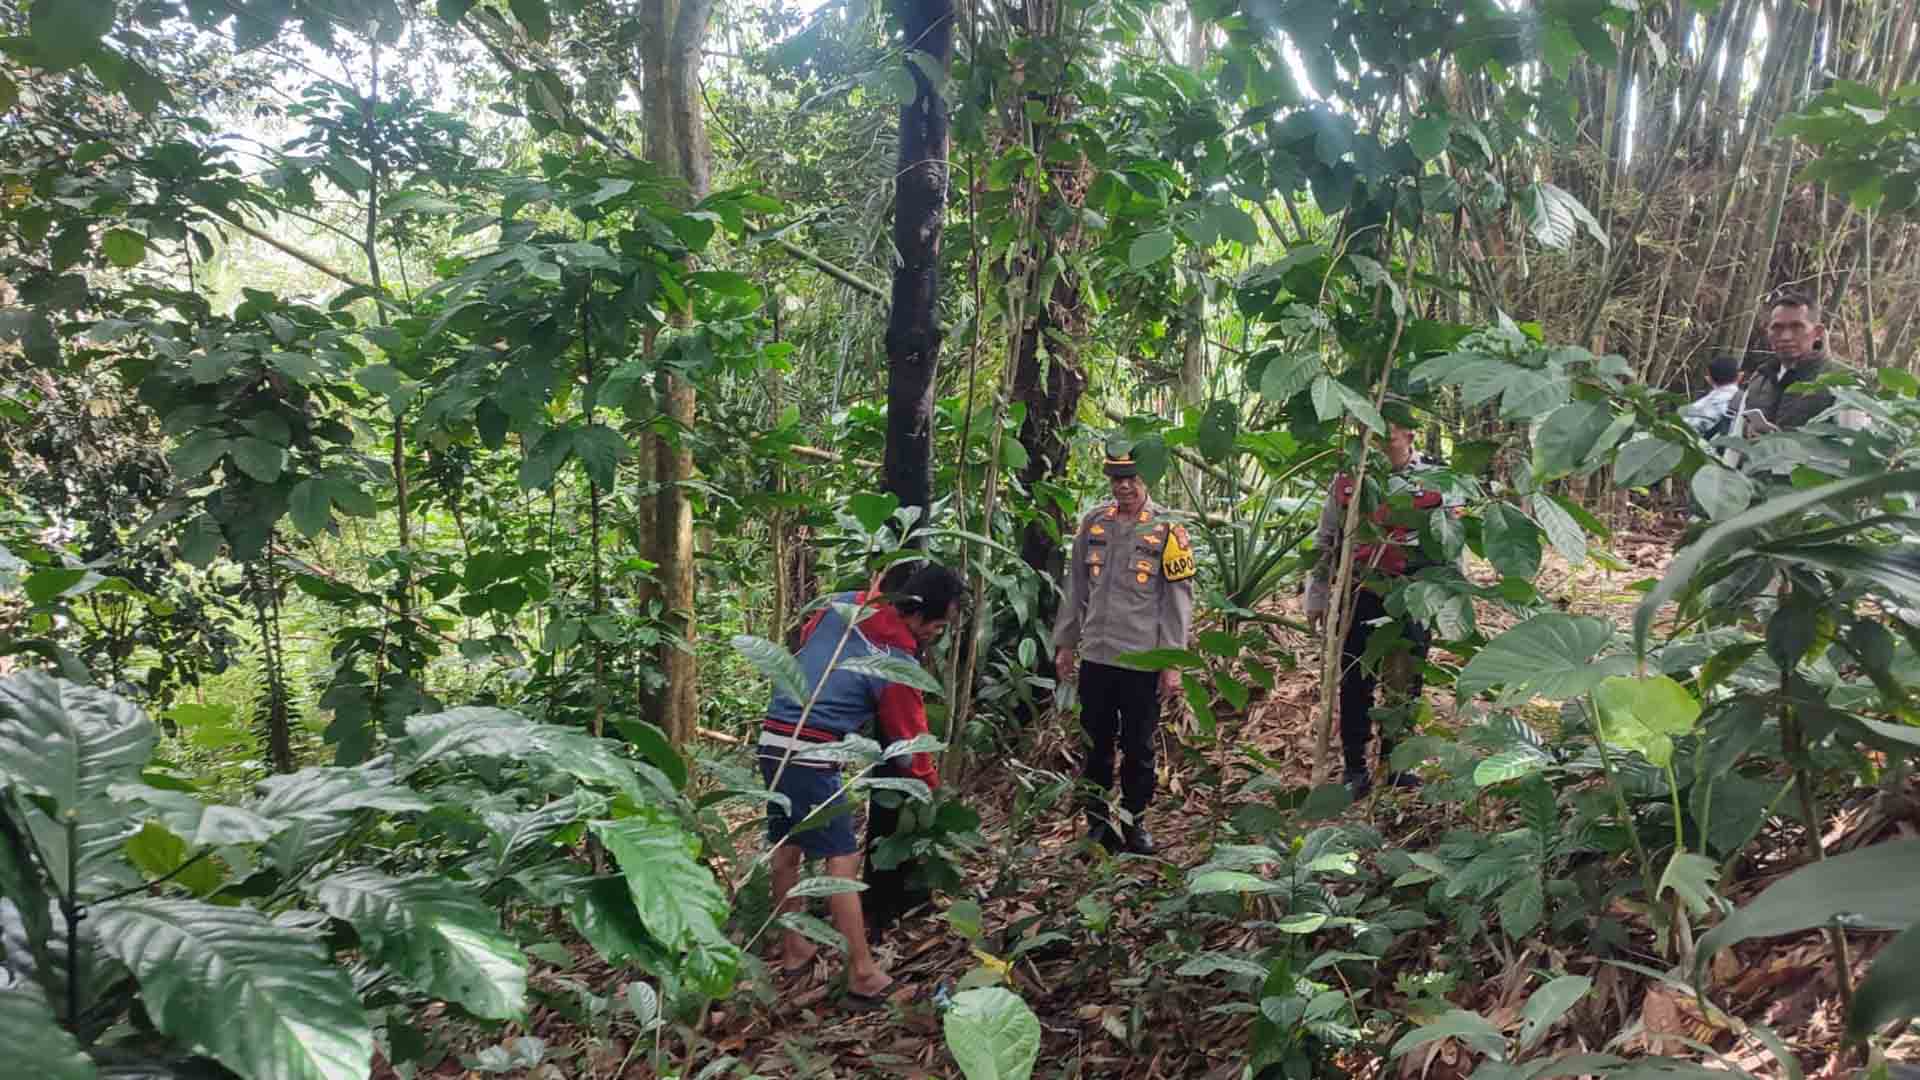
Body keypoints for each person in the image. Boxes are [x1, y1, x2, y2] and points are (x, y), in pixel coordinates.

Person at [759, 562, 964, 1004]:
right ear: (915, 613)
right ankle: (862, 974)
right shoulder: (894, 665)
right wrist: (930, 789)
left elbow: (808, 641)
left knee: (787, 846)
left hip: (773, 738)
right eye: (938, 624)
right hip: (812, 751)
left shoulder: (840, 607)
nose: (938, 633)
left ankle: (794, 949)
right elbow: (910, 746)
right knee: (843, 858)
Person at [1051, 449, 1197, 855]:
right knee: (1095, 745)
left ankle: (1135, 823)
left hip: (1141, 660)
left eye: (1132, 477)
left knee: (1139, 747)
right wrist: (1066, 643)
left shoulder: (1169, 529)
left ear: (1146, 478)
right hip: (1097, 656)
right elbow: (1076, 587)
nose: (1125, 486)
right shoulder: (1094, 523)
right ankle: (1097, 825)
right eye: (1117, 478)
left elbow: (1178, 601)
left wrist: (1171, 662)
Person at [1306, 422, 1442, 799]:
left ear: (1410, 436)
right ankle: (1355, 767)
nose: (1380, 448)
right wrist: (1316, 596)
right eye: (1373, 439)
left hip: (1413, 591)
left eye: (1388, 439)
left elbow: (1449, 541)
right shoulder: (1348, 479)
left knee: (1406, 679)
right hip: (1359, 591)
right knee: (1355, 680)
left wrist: (1448, 599)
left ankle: (1396, 765)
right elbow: (1326, 541)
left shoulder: (1435, 478)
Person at [1742, 290, 1836, 434]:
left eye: (1797, 327)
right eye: (1777, 328)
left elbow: (1854, 442)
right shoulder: (1760, 379)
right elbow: (1735, 438)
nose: (1785, 337)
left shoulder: (1842, 380)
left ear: (1817, 332)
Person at [1683, 355, 1742, 438]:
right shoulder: (1745, 400)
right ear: (1739, 376)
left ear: (1709, 378)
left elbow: (1686, 427)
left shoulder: (1706, 403)